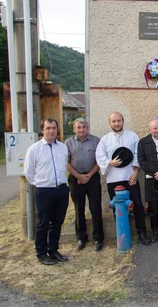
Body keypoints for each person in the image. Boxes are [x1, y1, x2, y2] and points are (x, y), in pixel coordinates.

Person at [96, 112, 151, 245]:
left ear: (123, 121)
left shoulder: (132, 136)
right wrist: (110, 163)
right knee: (118, 208)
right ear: (110, 123)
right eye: (114, 121)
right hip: (113, 180)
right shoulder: (105, 140)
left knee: (137, 204)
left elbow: (138, 154)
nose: (116, 123)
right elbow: (100, 156)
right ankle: (122, 234)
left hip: (130, 178)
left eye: (119, 121)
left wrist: (136, 173)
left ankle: (142, 232)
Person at [24, 118, 70, 265]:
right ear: (42, 130)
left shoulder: (62, 148)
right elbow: (28, 172)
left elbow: (64, 166)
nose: (51, 131)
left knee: (57, 222)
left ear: (57, 130)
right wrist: (40, 184)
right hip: (44, 191)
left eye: (54, 128)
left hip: (61, 190)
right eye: (48, 128)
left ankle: (53, 250)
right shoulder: (34, 149)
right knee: (43, 223)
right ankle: (41, 253)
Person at [65, 118, 104, 251]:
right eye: (78, 127)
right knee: (78, 208)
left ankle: (98, 238)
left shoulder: (96, 141)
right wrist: (79, 176)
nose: (81, 130)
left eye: (84, 127)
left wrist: (88, 176)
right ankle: (81, 238)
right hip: (75, 179)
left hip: (92, 177)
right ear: (74, 129)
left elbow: (100, 160)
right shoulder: (68, 142)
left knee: (95, 208)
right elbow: (66, 163)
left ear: (87, 128)